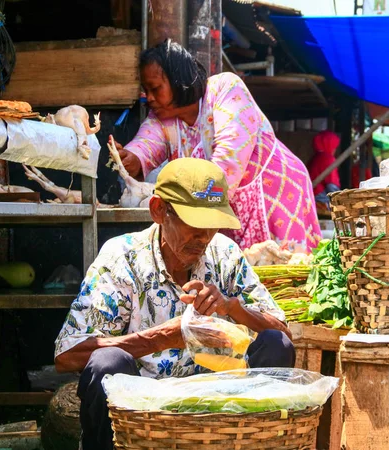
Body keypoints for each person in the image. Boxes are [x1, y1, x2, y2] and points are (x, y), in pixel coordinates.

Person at [54, 158, 294, 450]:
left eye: (213, 225)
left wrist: (232, 308)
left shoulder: (225, 254)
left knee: (275, 343)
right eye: (194, 223)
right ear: (159, 211)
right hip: (141, 412)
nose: (204, 237)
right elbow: (67, 355)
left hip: (219, 410)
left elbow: (283, 331)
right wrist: (163, 337)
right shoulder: (122, 258)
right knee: (107, 363)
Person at [112, 39, 322, 251]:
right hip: (221, 204)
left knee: (283, 270)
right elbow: (145, 144)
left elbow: (228, 158)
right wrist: (132, 159)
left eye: (155, 88)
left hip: (274, 192)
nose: (149, 98)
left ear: (178, 80)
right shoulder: (162, 117)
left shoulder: (225, 88)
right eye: (146, 90)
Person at [306, 130, 341, 211]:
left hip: (310, 198)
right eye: (334, 147)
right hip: (321, 200)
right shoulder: (328, 159)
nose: (334, 150)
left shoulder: (314, 158)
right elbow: (332, 186)